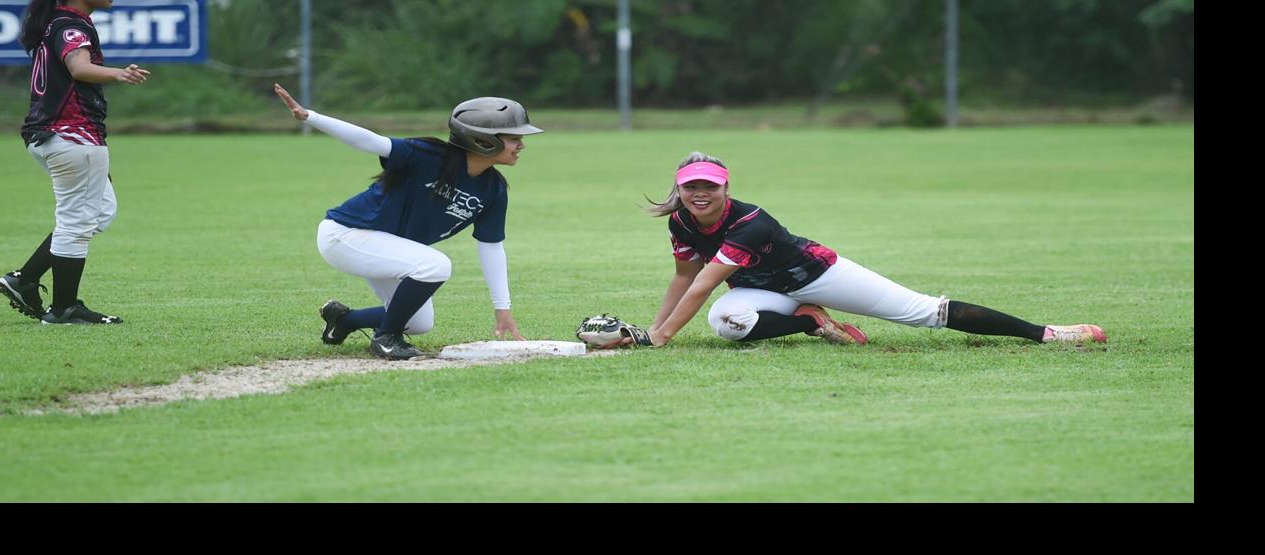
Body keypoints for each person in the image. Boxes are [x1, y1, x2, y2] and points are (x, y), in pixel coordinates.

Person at [578, 153, 1107, 350]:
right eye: (691, 186)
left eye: (709, 186)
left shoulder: (749, 220)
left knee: (925, 313)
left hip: (818, 274)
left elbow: (704, 282)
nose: (700, 194)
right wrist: (653, 328)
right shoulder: (680, 220)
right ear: (680, 188)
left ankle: (1047, 333)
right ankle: (812, 325)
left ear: (725, 187)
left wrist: (661, 339)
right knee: (730, 325)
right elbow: (681, 278)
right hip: (768, 293)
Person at [273, 84, 537, 360]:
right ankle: (386, 339)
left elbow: (491, 247)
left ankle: (344, 321)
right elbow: (369, 141)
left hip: (386, 245)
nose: (521, 144)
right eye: (513, 137)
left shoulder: (493, 189)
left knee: (418, 322)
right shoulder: (428, 155)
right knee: (436, 265)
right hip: (346, 235)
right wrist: (311, 117)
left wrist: (502, 309)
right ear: (483, 140)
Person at [0, 0, 150, 325]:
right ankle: (64, 308)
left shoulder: (54, 21)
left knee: (100, 210)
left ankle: (25, 278)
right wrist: (118, 73)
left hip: (57, 136)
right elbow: (78, 67)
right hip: (72, 134)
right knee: (76, 222)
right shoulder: (71, 24)